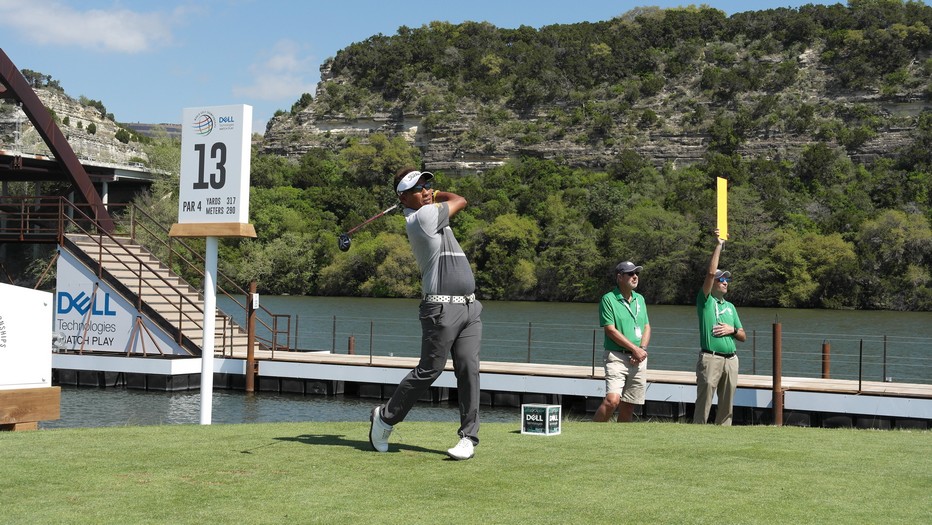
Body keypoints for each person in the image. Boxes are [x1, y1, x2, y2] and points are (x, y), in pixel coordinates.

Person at [369, 167, 483, 460]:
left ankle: (468, 437)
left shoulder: (427, 211)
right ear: (403, 198)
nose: (426, 190)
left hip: (470, 307)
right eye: (418, 188)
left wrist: (430, 195)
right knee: (429, 370)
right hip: (441, 309)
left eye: (427, 185)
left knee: (468, 369)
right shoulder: (423, 217)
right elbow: (460, 200)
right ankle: (385, 418)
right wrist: (437, 195)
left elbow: (455, 200)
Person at [693, 229, 746, 425]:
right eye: (721, 279)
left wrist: (731, 330)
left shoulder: (730, 307)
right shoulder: (705, 301)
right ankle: (698, 433)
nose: (725, 282)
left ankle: (723, 434)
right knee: (704, 400)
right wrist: (718, 246)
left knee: (727, 404)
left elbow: (742, 335)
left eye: (727, 280)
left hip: (731, 360)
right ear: (713, 283)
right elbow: (709, 273)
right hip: (710, 358)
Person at [593, 261, 651, 423]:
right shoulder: (608, 299)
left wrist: (641, 349)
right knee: (612, 401)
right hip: (616, 357)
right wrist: (635, 349)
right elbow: (610, 330)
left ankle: (621, 441)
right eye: (630, 274)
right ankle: (592, 433)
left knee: (629, 404)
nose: (635, 277)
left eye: (637, 274)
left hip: (638, 358)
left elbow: (646, 326)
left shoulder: (640, 299)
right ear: (619, 277)